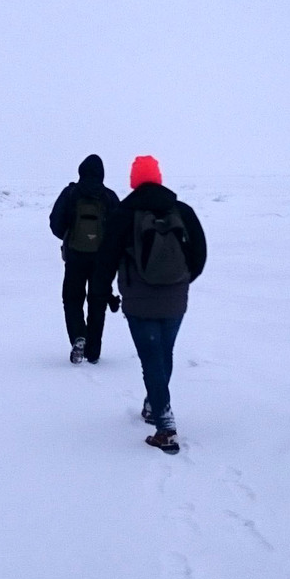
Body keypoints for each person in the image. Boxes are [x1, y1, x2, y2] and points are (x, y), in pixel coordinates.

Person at [93, 155, 206, 454]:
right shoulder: (182, 211)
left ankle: (164, 425)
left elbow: (105, 261)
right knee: (163, 353)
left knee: (151, 358)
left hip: (138, 301)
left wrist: (106, 296)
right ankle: (153, 404)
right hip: (175, 300)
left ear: (133, 180)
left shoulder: (122, 215)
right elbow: (200, 254)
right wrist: (182, 281)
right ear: (158, 177)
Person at [48, 154, 121, 364]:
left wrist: (69, 236)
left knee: (72, 300)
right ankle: (94, 351)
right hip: (102, 260)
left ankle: (78, 337)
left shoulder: (71, 193)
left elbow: (55, 223)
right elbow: (119, 227)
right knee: (97, 303)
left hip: (75, 257)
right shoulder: (108, 197)